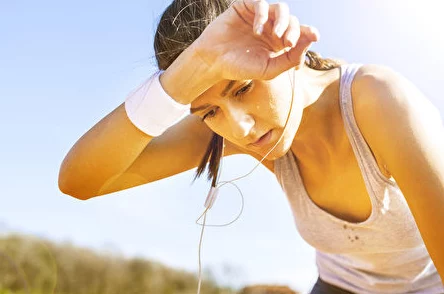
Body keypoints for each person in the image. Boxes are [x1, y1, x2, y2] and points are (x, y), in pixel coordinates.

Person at [58, 0, 444, 292]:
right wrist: (174, 86)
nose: (238, 127)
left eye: (242, 88)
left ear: (280, 47)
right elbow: (80, 181)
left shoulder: (379, 101)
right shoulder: (228, 129)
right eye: (209, 111)